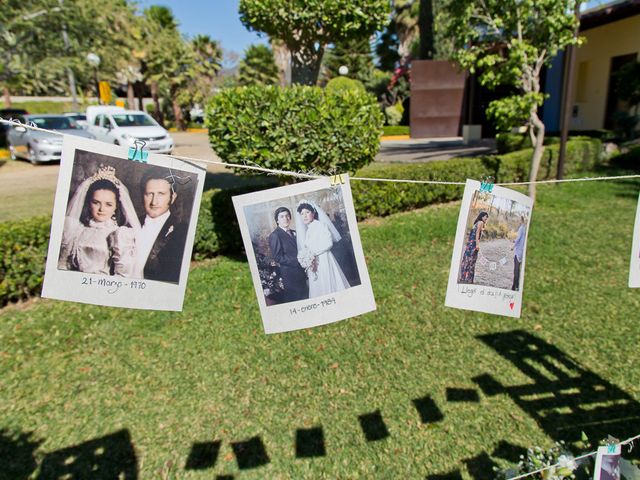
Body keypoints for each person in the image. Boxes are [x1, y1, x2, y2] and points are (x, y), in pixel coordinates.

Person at [58, 164, 140, 276]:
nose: (101, 209)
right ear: (89, 203)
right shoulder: (76, 230)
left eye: (108, 204)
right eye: (96, 203)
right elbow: (63, 265)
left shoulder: (120, 235)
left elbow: (123, 276)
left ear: (116, 206)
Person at [135, 169, 188, 284]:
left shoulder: (182, 230)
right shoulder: (129, 224)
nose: (154, 202)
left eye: (161, 194)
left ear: (172, 197)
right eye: (149, 194)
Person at [295, 200, 350, 298]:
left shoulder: (320, 225)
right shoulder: (308, 230)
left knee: (328, 284)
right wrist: (308, 257)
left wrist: (312, 254)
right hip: (314, 263)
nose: (305, 216)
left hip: (324, 260)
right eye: (302, 214)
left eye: (307, 212)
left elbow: (328, 243)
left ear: (313, 213)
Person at [268, 206, 308, 303]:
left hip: (301, 273)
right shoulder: (275, 235)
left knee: (306, 297)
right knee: (296, 300)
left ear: (290, 218)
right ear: (277, 220)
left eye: (287, 216)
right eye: (282, 217)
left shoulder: (294, 232)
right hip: (290, 276)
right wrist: (297, 261)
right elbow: (277, 257)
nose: (285, 218)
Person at [459, 211, 488, 284]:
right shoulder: (480, 223)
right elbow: (477, 234)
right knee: (472, 261)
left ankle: (463, 277)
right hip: (474, 244)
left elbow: (477, 231)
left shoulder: (476, 223)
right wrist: (477, 245)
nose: (486, 218)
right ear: (482, 216)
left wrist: (485, 224)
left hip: (470, 244)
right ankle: (469, 279)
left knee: (466, 260)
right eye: (486, 217)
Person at [511, 215, 527, 291]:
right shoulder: (524, 228)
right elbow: (520, 239)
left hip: (518, 252)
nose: (517, 221)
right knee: (517, 270)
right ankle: (514, 286)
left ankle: (516, 287)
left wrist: (513, 247)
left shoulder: (521, 228)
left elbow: (518, 239)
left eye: (518, 220)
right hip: (521, 251)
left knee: (516, 270)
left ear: (521, 220)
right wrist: (515, 240)